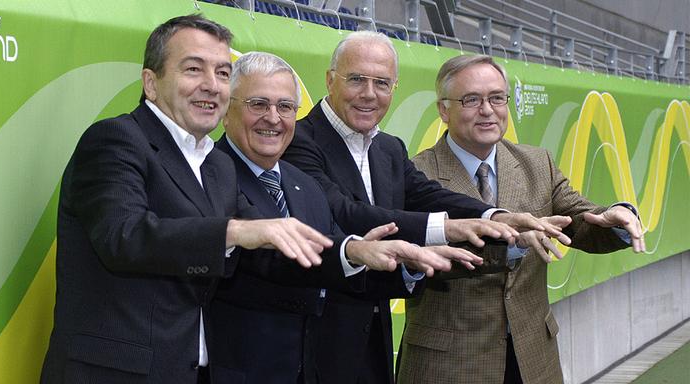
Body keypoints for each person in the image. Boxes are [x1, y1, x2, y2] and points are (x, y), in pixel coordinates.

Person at [41, 15, 337, 384]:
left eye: (223, 73)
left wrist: (353, 253)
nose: (212, 86)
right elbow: (124, 237)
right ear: (151, 83)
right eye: (194, 69)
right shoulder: (115, 140)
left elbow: (268, 244)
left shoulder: (215, 164)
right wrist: (233, 232)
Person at [281, 31, 567, 383]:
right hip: (317, 343)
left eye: (382, 83)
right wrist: (448, 229)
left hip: (373, 340)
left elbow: (429, 195)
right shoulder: (298, 141)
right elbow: (345, 213)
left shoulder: (387, 147)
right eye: (357, 79)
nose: (370, 94)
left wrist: (494, 217)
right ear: (329, 79)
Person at [207, 51, 482, 384]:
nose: (273, 118)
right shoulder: (208, 174)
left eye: (285, 107)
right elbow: (274, 258)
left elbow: (337, 261)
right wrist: (355, 251)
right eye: (258, 104)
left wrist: (410, 260)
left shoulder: (301, 183)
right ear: (225, 110)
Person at [398, 54, 644, 384]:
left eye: (497, 98)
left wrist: (614, 218)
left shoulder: (535, 162)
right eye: (471, 99)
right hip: (449, 364)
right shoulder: (416, 174)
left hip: (532, 359)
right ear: (444, 110)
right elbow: (420, 259)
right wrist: (510, 244)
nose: (487, 110)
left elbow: (577, 219)